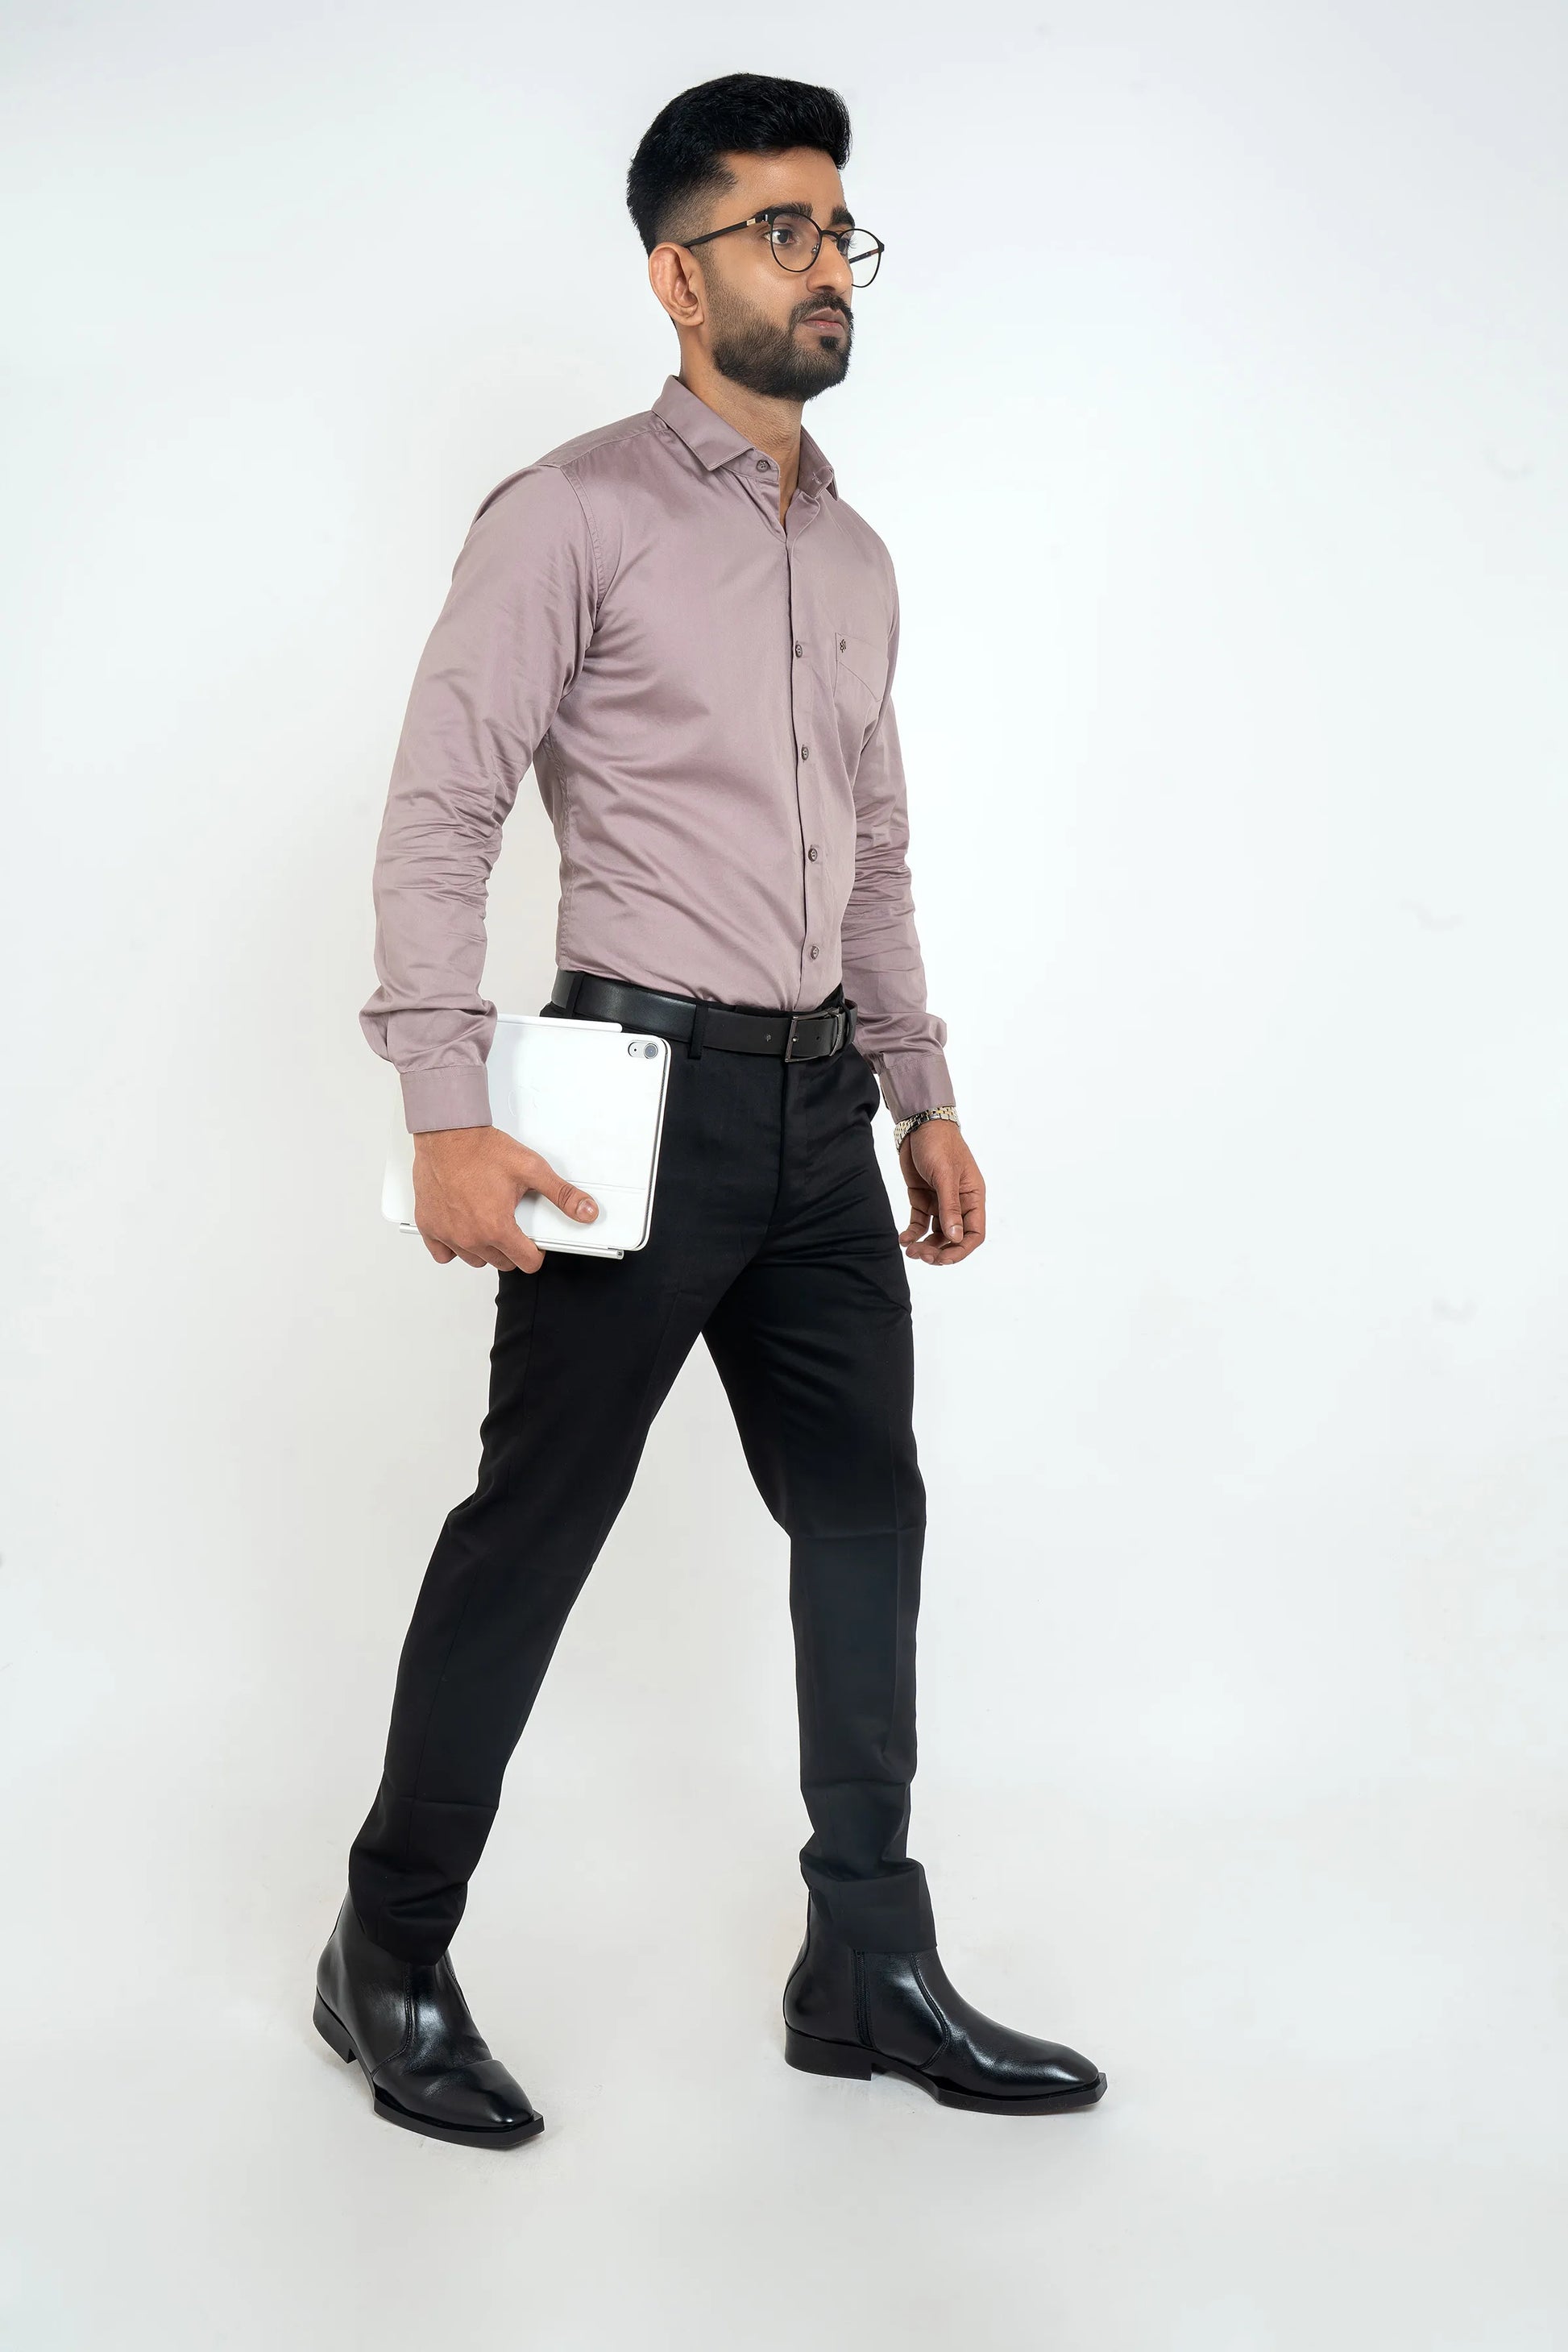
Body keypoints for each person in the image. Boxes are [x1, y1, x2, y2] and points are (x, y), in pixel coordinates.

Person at [313, 70, 1106, 2148]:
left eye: (840, 229)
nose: (824, 263)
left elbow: (880, 853)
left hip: (824, 1116)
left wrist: (923, 1092)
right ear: (678, 279)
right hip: (623, 1106)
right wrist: (442, 1105)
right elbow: (442, 811)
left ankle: (866, 1960)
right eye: (779, 230)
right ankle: (387, 1946)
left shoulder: (858, 555)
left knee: (865, 1515)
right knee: (535, 1529)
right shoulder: (569, 513)